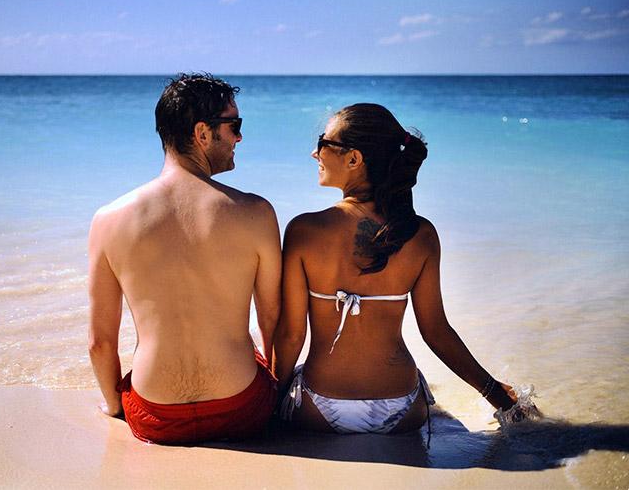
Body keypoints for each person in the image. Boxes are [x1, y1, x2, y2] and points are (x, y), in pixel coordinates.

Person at [273, 103, 518, 434]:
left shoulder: (305, 230)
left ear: (353, 159)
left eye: (323, 143)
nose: (314, 153)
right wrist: (496, 394)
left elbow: (291, 335)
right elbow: (436, 332)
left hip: (321, 405)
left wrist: (270, 405)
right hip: (401, 408)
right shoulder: (420, 233)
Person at [88, 73, 281, 445]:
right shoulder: (255, 212)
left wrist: (115, 407)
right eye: (234, 126)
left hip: (155, 414)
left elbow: (99, 341)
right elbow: (272, 320)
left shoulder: (108, 219)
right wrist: (273, 395)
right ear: (202, 133)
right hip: (241, 408)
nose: (239, 137)